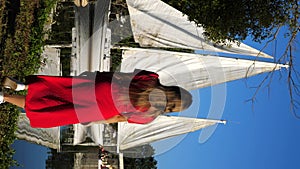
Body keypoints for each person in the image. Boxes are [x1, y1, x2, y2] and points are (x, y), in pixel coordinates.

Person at [0, 70, 192, 128]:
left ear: (173, 90)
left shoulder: (152, 79)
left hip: (105, 87)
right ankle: (5, 97)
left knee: (60, 87)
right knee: (54, 109)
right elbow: (117, 118)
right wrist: (93, 119)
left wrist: (98, 75)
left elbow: (123, 75)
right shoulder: (149, 116)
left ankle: (23, 86)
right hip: (102, 109)